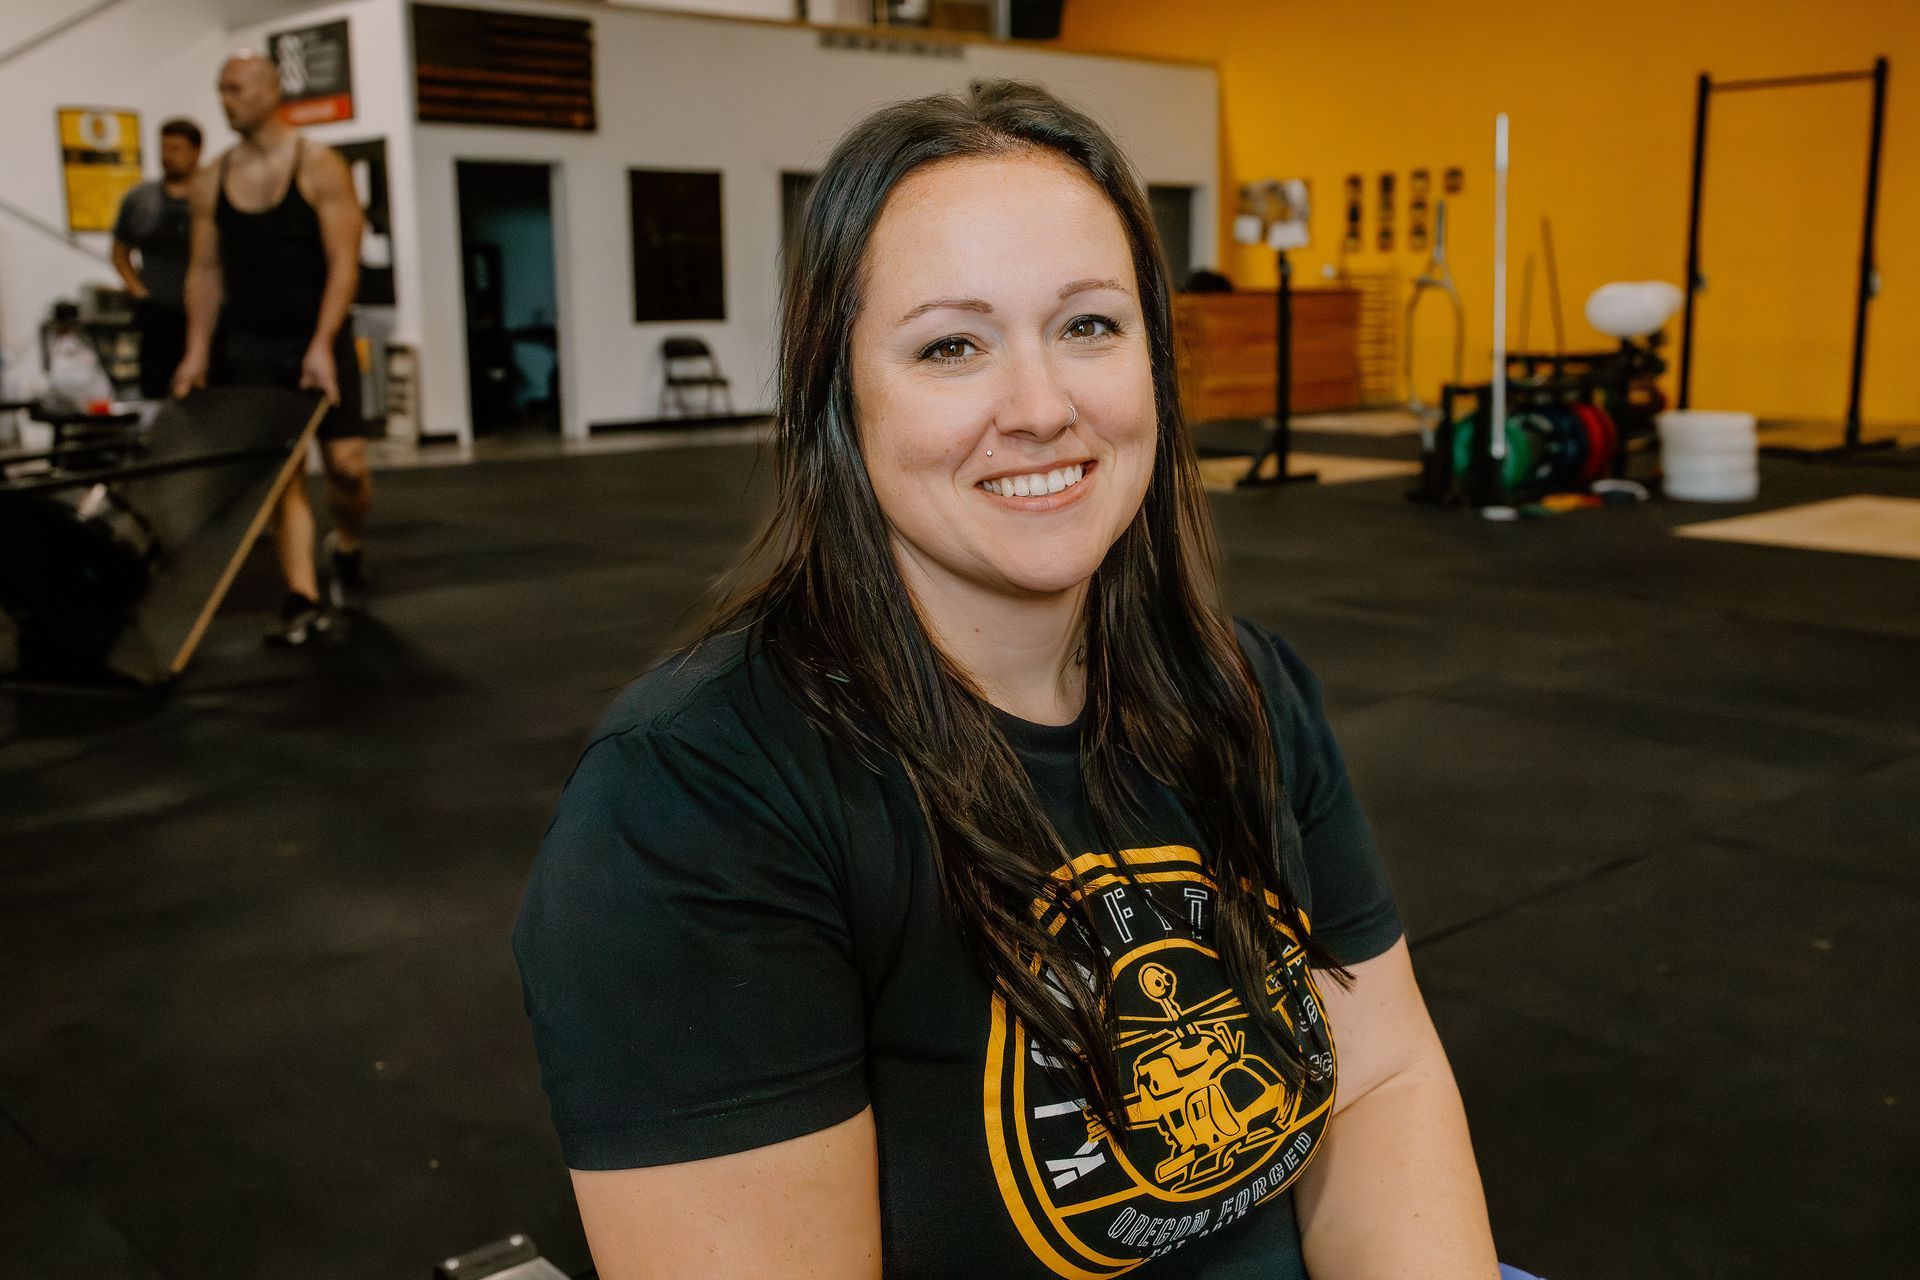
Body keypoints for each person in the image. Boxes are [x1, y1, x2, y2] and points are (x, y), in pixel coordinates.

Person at [513, 81, 1501, 1279]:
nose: (1042, 407)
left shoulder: (1244, 689)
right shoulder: (696, 801)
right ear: (841, 394)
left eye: (1090, 326)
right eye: (951, 345)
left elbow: (1382, 1081)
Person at [172, 52, 371, 647]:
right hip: (252, 345)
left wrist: (320, 343)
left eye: (235, 88)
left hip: (321, 338)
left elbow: (344, 264)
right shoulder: (211, 177)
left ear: (270, 89)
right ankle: (301, 598)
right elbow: (204, 270)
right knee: (283, 476)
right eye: (220, 89)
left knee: (346, 468)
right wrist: (196, 350)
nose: (225, 99)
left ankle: (350, 540)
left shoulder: (319, 167)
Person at [112, 117, 201, 401]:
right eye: (164, 148)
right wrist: (139, 291)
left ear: (196, 151)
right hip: (158, 311)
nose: (168, 156)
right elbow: (119, 252)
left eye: (176, 149)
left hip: (204, 311)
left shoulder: (212, 194)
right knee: (156, 392)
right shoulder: (141, 199)